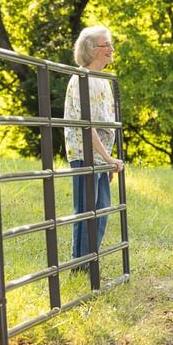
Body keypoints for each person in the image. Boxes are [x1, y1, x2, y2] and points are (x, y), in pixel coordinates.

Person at [64, 25, 124, 262]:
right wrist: (107, 159)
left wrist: (107, 159)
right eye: (105, 44)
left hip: (100, 157)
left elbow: (104, 123)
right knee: (87, 211)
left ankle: (91, 260)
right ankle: (81, 265)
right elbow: (85, 125)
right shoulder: (82, 79)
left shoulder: (103, 80)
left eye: (110, 43)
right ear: (91, 49)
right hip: (84, 154)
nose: (111, 48)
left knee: (102, 210)